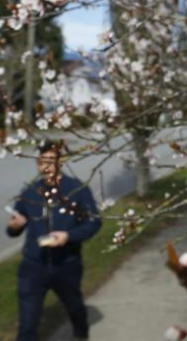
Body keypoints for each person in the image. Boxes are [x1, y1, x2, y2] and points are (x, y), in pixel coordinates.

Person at [6, 140, 102, 341]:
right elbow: (14, 228)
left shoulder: (76, 190)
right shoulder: (30, 192)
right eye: (41, 162)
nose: (46, 167)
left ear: (61, 162)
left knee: (75, 308)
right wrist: (14, 226)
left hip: (66, 264)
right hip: (34, 265)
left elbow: (93, 222)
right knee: (27, 324)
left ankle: (80, 334)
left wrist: (69, 236)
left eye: (51, 161)